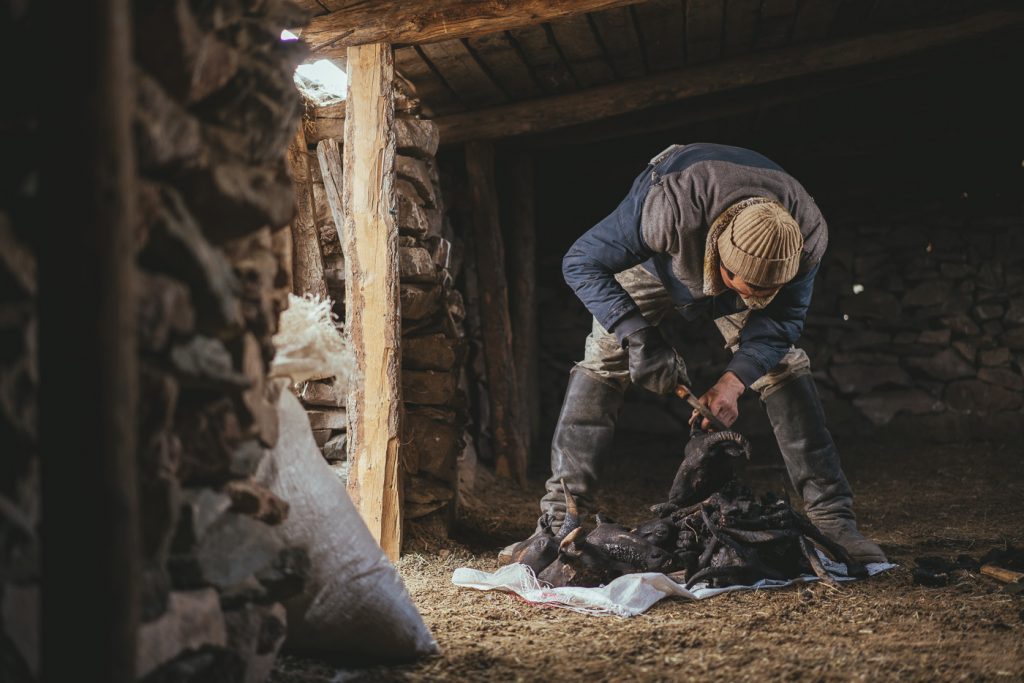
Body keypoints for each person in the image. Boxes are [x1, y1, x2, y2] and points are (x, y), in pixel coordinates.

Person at [536, 142, 886, 564]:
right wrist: (638, 337)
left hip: (740, 265)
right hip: (658, 261)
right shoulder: (668, 207)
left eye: (768, 292)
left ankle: (834, 520)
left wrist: (733, 382)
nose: (757, 300)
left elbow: (780, 321)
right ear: (721, 254)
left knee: (784, 363)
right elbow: (580, 261)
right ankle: (559, 522)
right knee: (607, 358)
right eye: (747, 287)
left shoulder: (806, 238)